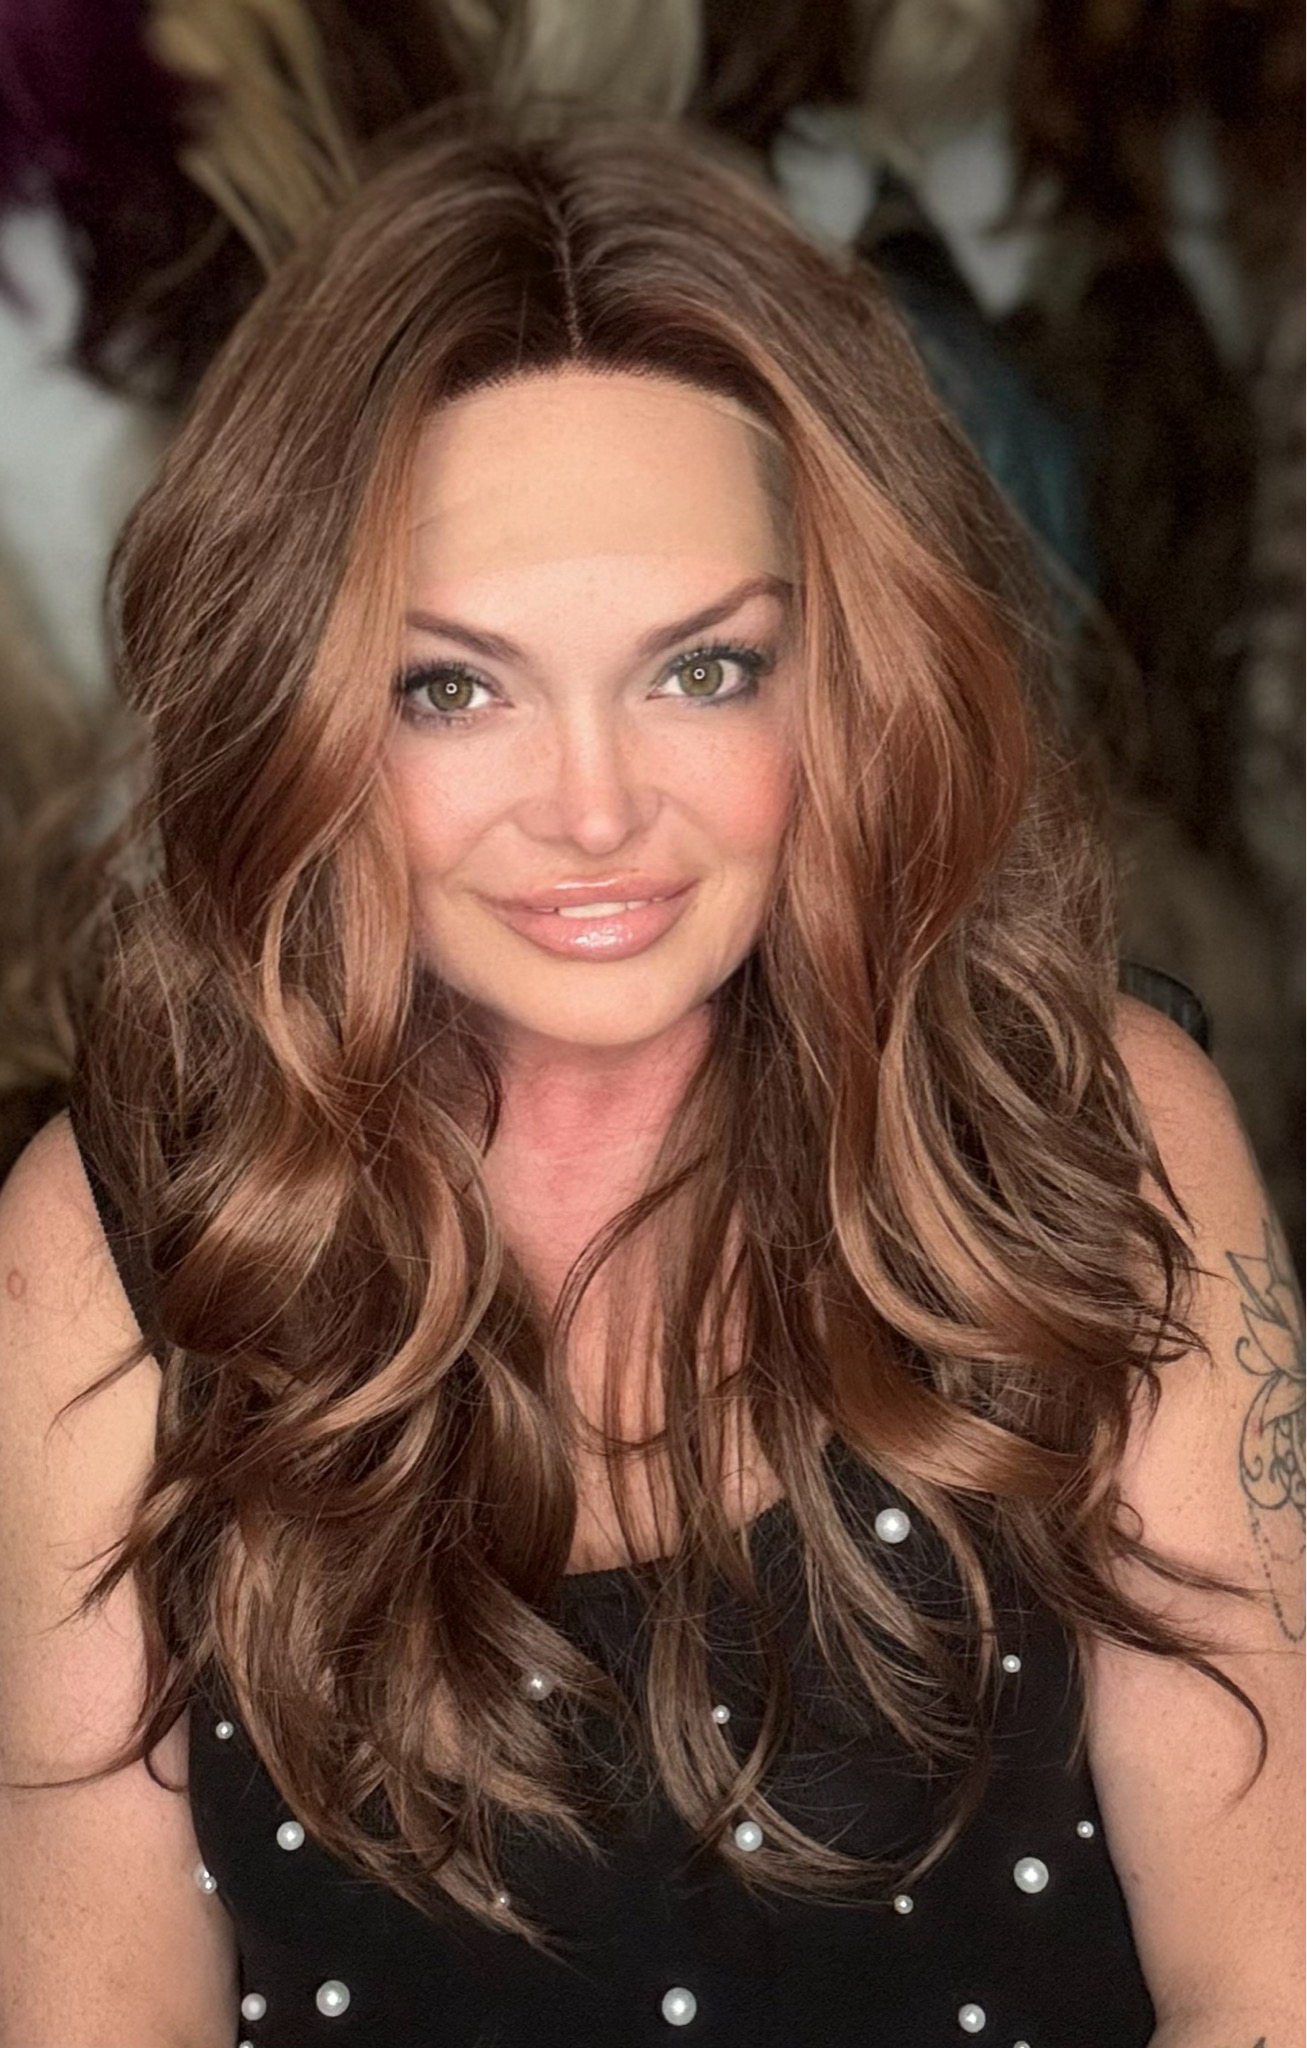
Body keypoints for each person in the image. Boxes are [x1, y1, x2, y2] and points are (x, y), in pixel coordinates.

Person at [0, 112, 1300, 2048]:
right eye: (453, 685)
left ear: (845, 673)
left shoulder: (1084, 1135)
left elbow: (1270, 1973)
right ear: (299, 710)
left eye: (703, 670)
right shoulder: (111, 1248)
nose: (595, 809)